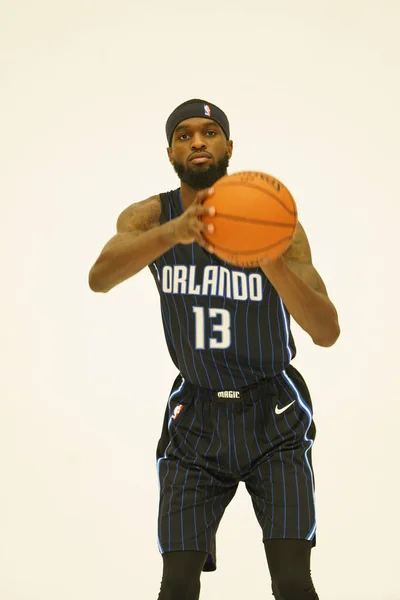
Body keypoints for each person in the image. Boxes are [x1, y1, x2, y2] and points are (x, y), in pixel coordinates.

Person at [89, 99, 340, 600]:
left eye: (209, 132)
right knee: (177, 583)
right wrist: (175, 233)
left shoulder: (273, 220)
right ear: (169, 153)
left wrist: (269, 261)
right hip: (196, 413)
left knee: (292, 580)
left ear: (229, 147)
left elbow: (326, 330)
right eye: (184, 135)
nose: (197, 142)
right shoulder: (149, 216)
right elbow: (101, 277)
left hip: (274, 411)